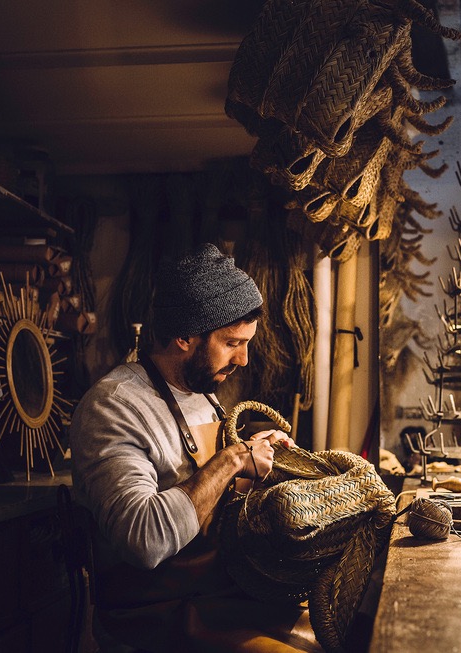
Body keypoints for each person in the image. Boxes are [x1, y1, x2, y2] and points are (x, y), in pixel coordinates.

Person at [71, 243, 320, 652]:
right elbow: (143, 539)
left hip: (218, 595)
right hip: (156, 615)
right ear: (185, 335)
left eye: (247, 343)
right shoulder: (114, 406)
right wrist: (233, 459)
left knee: (345, 627)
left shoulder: (202, 392)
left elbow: (206, 497)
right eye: (231, 343)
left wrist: (255, 458)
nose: (242, 359)